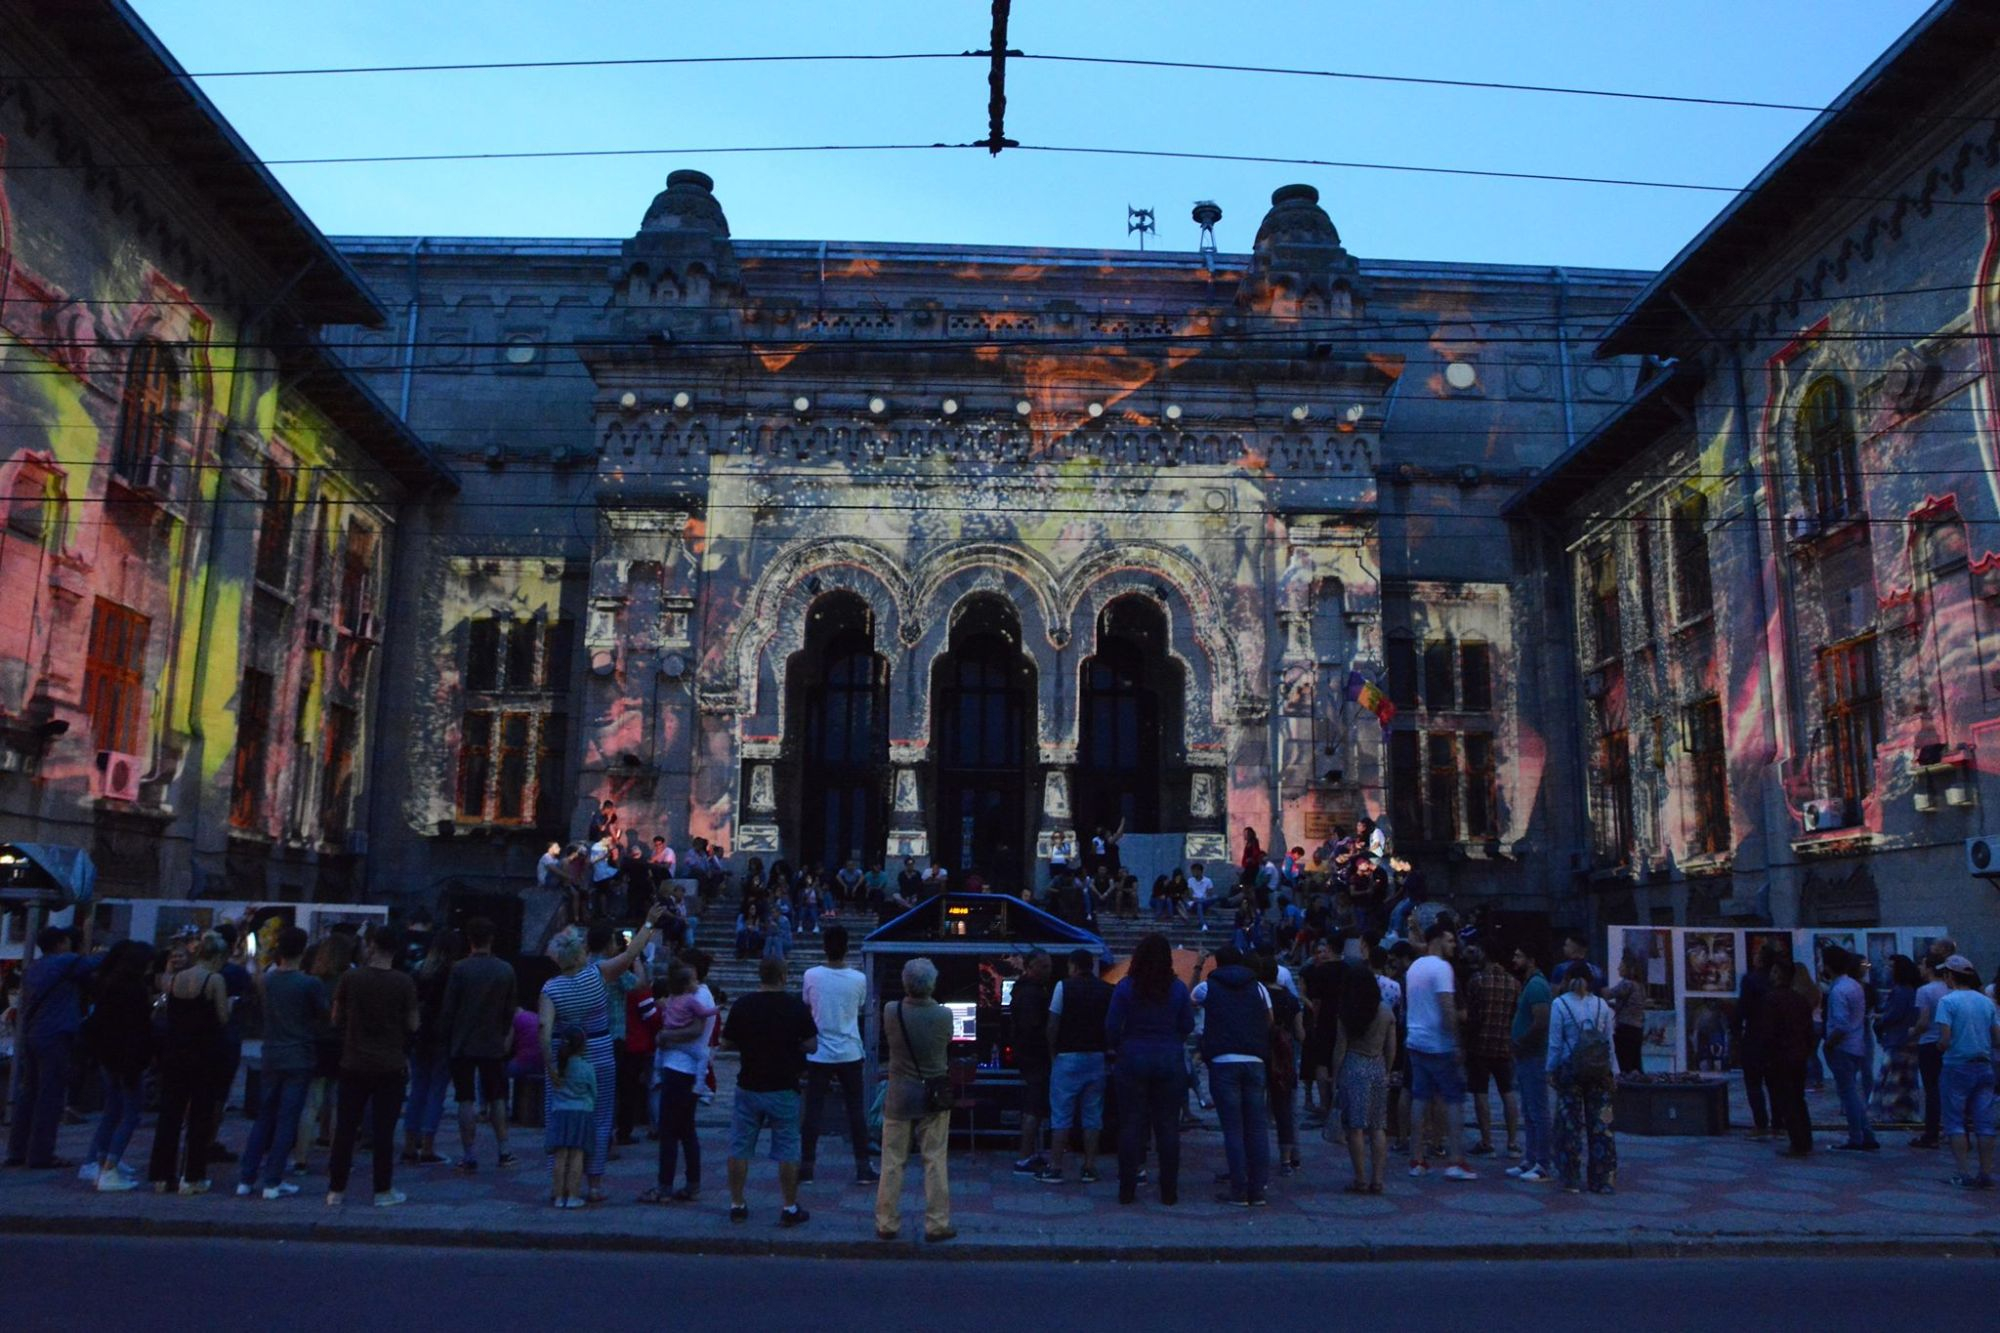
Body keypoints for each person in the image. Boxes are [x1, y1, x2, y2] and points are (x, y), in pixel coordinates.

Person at [539, 910, 661, 1204]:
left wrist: (550, 1063)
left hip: (562, 1053)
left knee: (557, 1115)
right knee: (601, 1116)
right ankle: (594, 1183)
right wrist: (648, 922)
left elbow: (544, 1028)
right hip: (600, 1049)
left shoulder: (551, 988)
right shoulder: (599, 974)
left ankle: (559, 1188)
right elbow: (632, 951)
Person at [326, 926, 420, 1208]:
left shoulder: (351, 978)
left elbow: (335, 1018)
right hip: (389, 1065)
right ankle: (382, 1189)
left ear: (372, 946)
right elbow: (413, 1024)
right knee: (384, 1132)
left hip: (353, 1061)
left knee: (344, 1129)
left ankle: (336, 1189)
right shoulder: (404, 983)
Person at [721, 955, 818, 1226]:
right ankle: (789, 1206)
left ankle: (737, 1203)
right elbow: (812, 1045)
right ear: (784, 977)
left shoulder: (743, 1005)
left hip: (749, 1084)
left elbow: (726, 1042)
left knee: (740, 1146)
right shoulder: (795, 1007)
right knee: (788, 1148)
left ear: (760, 976)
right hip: (784, 1085)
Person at [236, 927, 327, 1199]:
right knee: (288, 1119)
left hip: (271, 1052)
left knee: (265, 1116)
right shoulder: (309, 984)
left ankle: (246, 1177)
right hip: (298, 1054)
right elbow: (323, 1015)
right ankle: (273, 1180)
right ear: (303, 950)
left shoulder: (267, 980)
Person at [1107, 933, 1195, 1205]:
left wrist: (1118, 1046)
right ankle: (1169, 1191)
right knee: (1168, 1126)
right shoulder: (1178, 988)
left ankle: (1127, 1189)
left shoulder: (1126, 987)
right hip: (1168, 1059)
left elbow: (1111, 1026)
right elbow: (1188, 1025)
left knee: (1131, 1125)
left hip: (1132, 1057)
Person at [876, 955, 955, 1242]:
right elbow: (947, 1041)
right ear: (932, 984)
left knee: (892, 1161)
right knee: (934, 1160)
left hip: (898, 1094)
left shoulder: (890, 1011)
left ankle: (886, 1222)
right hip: (933, 1096)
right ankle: (937, 1223)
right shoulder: (944, 1015)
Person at [7, 924, 98, 1171]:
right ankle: (41, 1155)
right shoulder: (65, 961)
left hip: (34, 1033)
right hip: (57, 1034)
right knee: (50, 1096)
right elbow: (96, 963)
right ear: (60, 944)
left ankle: (17, 1150)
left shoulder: (34, 968)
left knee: (29, 1093)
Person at [148, 930, 231, 1194]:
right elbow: (222, 1017)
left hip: (175, 1054)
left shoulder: (176, 979)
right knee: (200, 1116)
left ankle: (162, 1175)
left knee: (170, 1115)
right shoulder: (214, 980)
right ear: (217, 956)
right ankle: (192, 1176)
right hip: (204, 1054)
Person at [1194, 946, 1273, 1205]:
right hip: (1254, 1058)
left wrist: (1197, 967)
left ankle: (1239, 1189)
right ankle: (1258, 1188)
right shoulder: (1259, 987)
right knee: (1257, 1127)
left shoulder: (1208, 986)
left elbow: (1191, 998)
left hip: (1223, 1059)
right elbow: (1269, 1019)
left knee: (1233, 1129)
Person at [800, 926, 878, 1186]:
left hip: (820, 1051)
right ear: (846, 948)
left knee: (813, 1110)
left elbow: (807, 1005)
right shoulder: (858, 979)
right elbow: (860, 1007)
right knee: (855, 1111)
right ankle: (862, 1166)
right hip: (849, 1050)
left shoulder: (811, 975)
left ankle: (807, 1167)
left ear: (824, 947)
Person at [440, 916, 519, 1172]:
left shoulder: (459, 970)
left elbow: (449, 1009)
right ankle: (504, 1149)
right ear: (491, 939)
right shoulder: (505, 970)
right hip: (493, 1041)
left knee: (465, 1099)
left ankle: (469, 1153)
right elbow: (510, 1010)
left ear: (469, 940)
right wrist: (506, 1036)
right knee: (496, 1096)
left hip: (463, 1042)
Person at [79, 940, 154, 1191]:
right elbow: (139, 1029)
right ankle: (109, 1167)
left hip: (107, 1055)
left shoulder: (108, 985)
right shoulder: (135, 991)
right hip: (127, 1058)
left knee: (112, 1110)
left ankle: (102, 1160)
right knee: (131, 1113)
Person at [640, 964, 717, 1203]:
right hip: (687, 1068)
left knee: (670, 1130)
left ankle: (665, 1186)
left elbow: (696, 1029)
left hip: (679, 1067)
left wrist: (665, 1036)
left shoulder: (695, 996)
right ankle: (692, 1184)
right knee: (686, 1129)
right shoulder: (693, 996)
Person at [1405, 921, 1476, 1180]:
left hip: (1415, 1039)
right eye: (1449, 940)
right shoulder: (1442, 968)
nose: (1453, 945)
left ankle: (1417, 1158)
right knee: (1454, 1099)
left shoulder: (1414, 967)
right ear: (1435, 940)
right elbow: (1447, 1006)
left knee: (1420, 1099)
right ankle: (1456, 1159)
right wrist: (1456, 1041)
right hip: (1439, 1043)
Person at [1039, 949, 1114, 1184]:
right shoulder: (1106, 989)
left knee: (1061, 1114)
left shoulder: (1063, 987)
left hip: (1068, 1056)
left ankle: (1055, 1166)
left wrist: (1052, 1054)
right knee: (1093, 1114)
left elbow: (1053, 1024)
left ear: (1072, 966)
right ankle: (1090, 1166)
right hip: (1096, 1057)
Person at [1546, 960, 1617, 1194]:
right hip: (1598, 1071)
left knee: (1570, 1126)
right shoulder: (1602, 1006)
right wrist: (1613, 1072)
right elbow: (1609, 1042)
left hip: (1570, 1070)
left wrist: (1550, 1069)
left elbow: (1555, 1044)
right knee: (1601, 1127)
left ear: (1567, 980)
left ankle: (1571, 1177)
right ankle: (1603, 1179)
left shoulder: (1560, 1005)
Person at [1330, 958, 1397, 1193]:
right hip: (1377, 1065)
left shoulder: (1347, 1012)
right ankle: (1377, 1179)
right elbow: (1392, 1047)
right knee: (1378, 1126)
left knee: (1355, 1127)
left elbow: (1340, 1048)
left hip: (1354, 1065)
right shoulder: (1386, 1012)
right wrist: (1387, 1070)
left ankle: (1360, 1178)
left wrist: (1335, 1075)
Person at [1932, 954, 1999, 1189]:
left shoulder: (1948, 1002)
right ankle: (1986, 1173)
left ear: (1950, 975)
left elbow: (1945, 1039)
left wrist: (1939, 1046)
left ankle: (1963, 1172)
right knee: (1984, 1122)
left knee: (1955, 1121)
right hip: (1984, 1066)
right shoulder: (1986, 1001)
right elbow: (1996, 1039)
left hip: (1956, 1066)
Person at [401, 929, 460, 1167]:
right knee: (437, 1091)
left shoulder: (420, 971)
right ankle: (427, 1145)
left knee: (417, 1089)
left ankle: (408, 1143)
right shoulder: (454, 973)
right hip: (443, 1037)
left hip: (420, 1035)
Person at [1462, 944, 1521, 1160]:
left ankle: (1487, 1141)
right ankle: (1513, 1142)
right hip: (1504, 1044)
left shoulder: (1477, 981)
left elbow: (1471, 1014)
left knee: (1480, 1092)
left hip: (1480, 1044)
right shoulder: (1515, 984)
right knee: (1507, 1092)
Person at [1821, 946, 1879, 1151]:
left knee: (1848, 1093)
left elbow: (1841, 1025)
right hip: (1856, 1044)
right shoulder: (1855, 986)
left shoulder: (1838, 991)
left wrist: (1828, 1044)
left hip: (1842, 1046)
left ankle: (1858, 1136)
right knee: (1851, 1092)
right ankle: (1865, 1134)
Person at [1507, 945, 1553, 1183]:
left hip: (1533, 1055)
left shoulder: (1536, 986)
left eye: (1519, 955)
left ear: (1531, 959)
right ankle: (1530, 1158)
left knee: (1538, 1110)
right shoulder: (1530, 984)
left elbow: (1541, 1020)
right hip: (1526, 1056)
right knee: (1529, 1110)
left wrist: (1522, 1043)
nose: (1514, 959)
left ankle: (1542, 1163)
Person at [1766, 960, 1819, 1159]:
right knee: (1798, 1098)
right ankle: (1805, 1139)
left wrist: (1767, 1055)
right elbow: (1808, 1031)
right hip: (1798, 1055)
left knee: (1788, 1100)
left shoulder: (1773, 999)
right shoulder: (1800, 999)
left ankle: (1798, 1142)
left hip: (1781, 1056)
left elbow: (1769, 1032)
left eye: (1773, 971)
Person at [1010, 950, 1055, 1175]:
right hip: (1035, 1056)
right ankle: (1025, 1156)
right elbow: (1032, 1028)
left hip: (1029, 1055)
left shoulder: (1025, 990)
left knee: (1035, 1106)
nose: (1048, 971)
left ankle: (1029, 1153)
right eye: (1043, 966)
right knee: (1034, 1107)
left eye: (1048, 966)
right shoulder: (1031, 994)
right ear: (1030, 967)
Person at [545, 1024, 596, 1209]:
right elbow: (594, 1092)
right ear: (583, 1046)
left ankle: (558, 1195)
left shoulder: (557, 1068)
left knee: (560, 1156)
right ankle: (573, 1195)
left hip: (560, 1113)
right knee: (577, 1155)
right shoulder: (587, 1068)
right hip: (581, 1113)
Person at [1870, 954, 1920, 1126]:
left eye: (1891, 967)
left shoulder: (1899, 991)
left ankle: (1887, 1112)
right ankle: (1907, 1111)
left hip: (1896, 1039)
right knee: (1907, 1080)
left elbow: (1893, 1015)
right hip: (1910, 1039)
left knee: (1891, 1079)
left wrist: (1879, 1019)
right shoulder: (1912, 990)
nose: (1888, 970)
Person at [1735, 944, 1779, 1138]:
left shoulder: (1750, 980)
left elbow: (1743, 1009)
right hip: (1776, 1036)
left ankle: (1761, 1123)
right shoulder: (1776, 981)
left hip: (1754, 1035)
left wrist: (1736, 1031)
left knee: (1754, 1083)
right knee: (1775, 1083)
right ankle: (1779, 1123)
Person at [1911, 954, 1951, 1149]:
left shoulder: (1924, 991)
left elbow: (1923, 1021)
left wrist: (1913, 1031)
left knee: (1931, 1089)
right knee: (1951, 1089)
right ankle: (1955, 1131)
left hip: (1929, 1042)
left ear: (1929, 967)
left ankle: (1931, 1132)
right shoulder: (1950, 989)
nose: (1919, 967)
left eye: (1922, 963)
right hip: (1949, 1042)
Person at [1603, 955, 1647, 1081]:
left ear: (1629, 969)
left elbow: (1608, 994)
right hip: (1637, 1028)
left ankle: (1628, 1091)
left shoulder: (1626, 984)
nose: (1618, 968)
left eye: (1621, 966)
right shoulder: (1640, 986)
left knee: (1625, 1063)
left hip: (1625, 1028)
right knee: (1636, 1063)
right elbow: (1630, 1006)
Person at [1187, 861, 1216, 930]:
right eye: (1192, 871)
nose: (1192, 873)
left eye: (1194, 871)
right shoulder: (1190, 880)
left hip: (1204, 901)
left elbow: (1210, 895)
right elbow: (1190, 896)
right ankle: (1203, 924)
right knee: (1199, 904)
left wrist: (1203, 900)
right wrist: (1198, 900)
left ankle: (1201, 902)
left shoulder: (1208, 881)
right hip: (1195, 903)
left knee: (1215, 897)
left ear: (1199, 871)